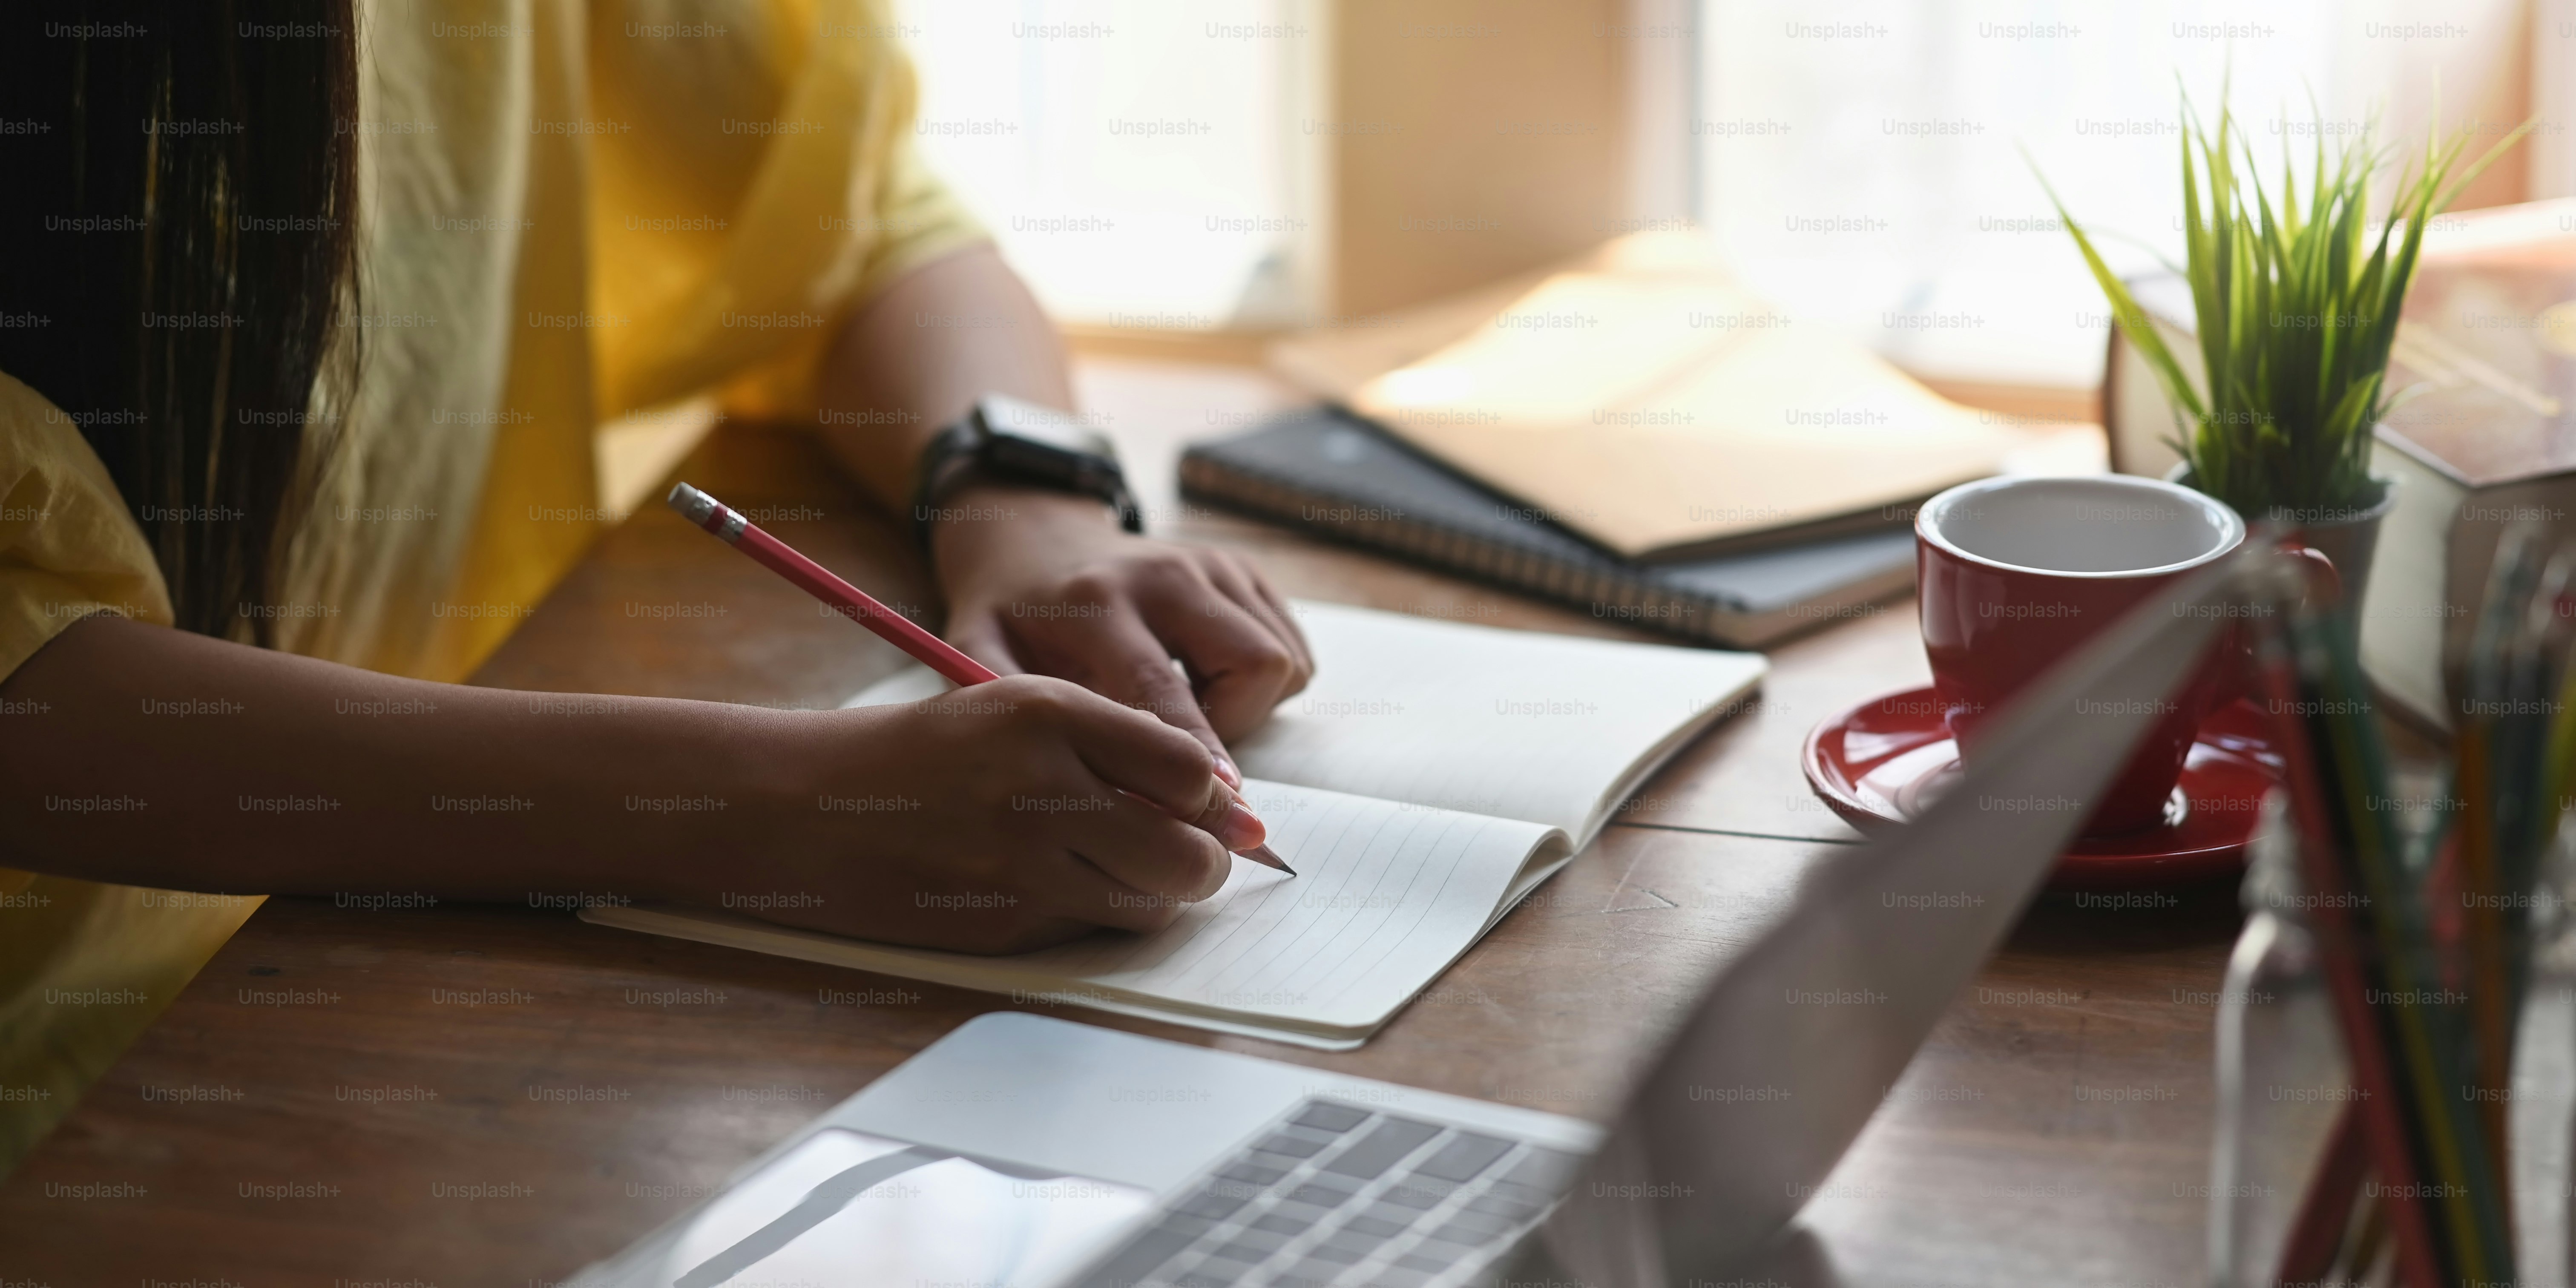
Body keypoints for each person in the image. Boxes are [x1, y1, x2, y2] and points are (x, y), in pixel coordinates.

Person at [0, 2, 1311, 1170]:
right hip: (83, 1109)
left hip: (407, 973)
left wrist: (1029, 501)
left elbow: (850, 217)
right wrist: (765, 803)